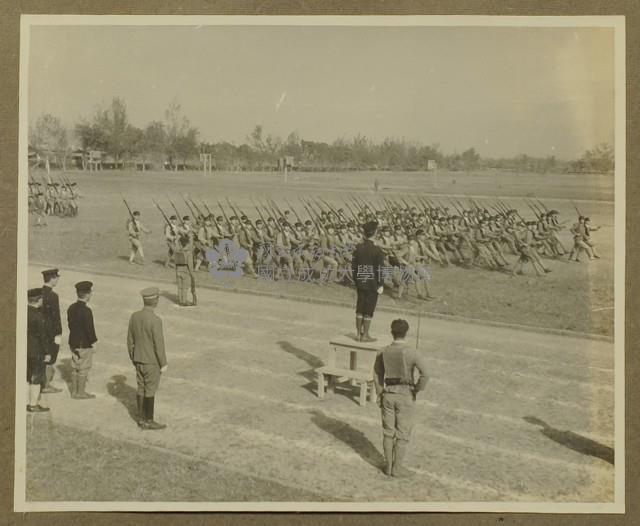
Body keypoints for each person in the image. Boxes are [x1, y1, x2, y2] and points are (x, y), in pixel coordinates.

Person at [373, 319, 428, 477]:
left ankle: (388, 466)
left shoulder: (382, 351)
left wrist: (379, 392)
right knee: (402, 434)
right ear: (406, 332)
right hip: (405, 395)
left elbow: (377, 373)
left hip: (388, 395)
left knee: (388, 432)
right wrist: (416, 390)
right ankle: (397, 469)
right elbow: (426, 375)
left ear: (392, 332)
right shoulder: (412, 352)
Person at [127, 287, 168, 430]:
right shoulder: (156, 320)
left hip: (138, 359)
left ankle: (140, 418)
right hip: (151, 361)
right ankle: (148, 420)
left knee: (141, 388)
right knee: (150, 391)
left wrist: (133, 357)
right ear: (155, 301)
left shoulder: (134, 316)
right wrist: (163, 363)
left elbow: (129, 340)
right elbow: (159, 344)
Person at [351, 220, 385, 342]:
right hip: (372, 283)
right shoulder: (377, 250)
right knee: (369, 309)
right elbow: (380, 269)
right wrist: (380, 283)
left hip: (361, 281)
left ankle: (358, 334)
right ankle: (365, 335)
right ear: (375, 233)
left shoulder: (358, 248)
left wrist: (356, 279)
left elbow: (354, 267)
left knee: (360, 307)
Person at [67, 281, 98, 399]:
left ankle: (74, 391)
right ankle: (80, 393)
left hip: (73, 341)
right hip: (84, 343)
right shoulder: (87, 310)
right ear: (88, 294)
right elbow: (90, 329)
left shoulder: (71, 307)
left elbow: (70, 325)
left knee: (75, 366)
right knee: (84, 367)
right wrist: (94, 342)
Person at [27, 288, 50, 413]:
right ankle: (33, 404)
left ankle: (25, 400)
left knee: (27, 376)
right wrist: (47, 352)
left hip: (25, 349)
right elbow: (43, 336)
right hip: (37, 351)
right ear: (39, 300)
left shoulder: (24, 311)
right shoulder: (38, 316)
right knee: (36, 378)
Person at [40, 268, 63, 394]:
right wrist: (58, 333)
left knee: (42, 356)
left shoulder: (39, 293)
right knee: (51, 358)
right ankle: (46, 385)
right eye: (56, 277)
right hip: (51, 332)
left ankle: (40, 381)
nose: (58, 279)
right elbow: (56, 317)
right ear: (53, 279)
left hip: (40, 331)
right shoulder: (53, 296)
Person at [175, 233, 197, 306]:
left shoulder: (177, 251)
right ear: (187, 243)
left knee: (180, 287)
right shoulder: (189, 253)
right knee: (185, 288)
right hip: (185, 272)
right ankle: (184, 301)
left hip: (178, 271)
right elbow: (190, 265)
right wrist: (193, 275)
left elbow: (176, 263)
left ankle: (180, 300)